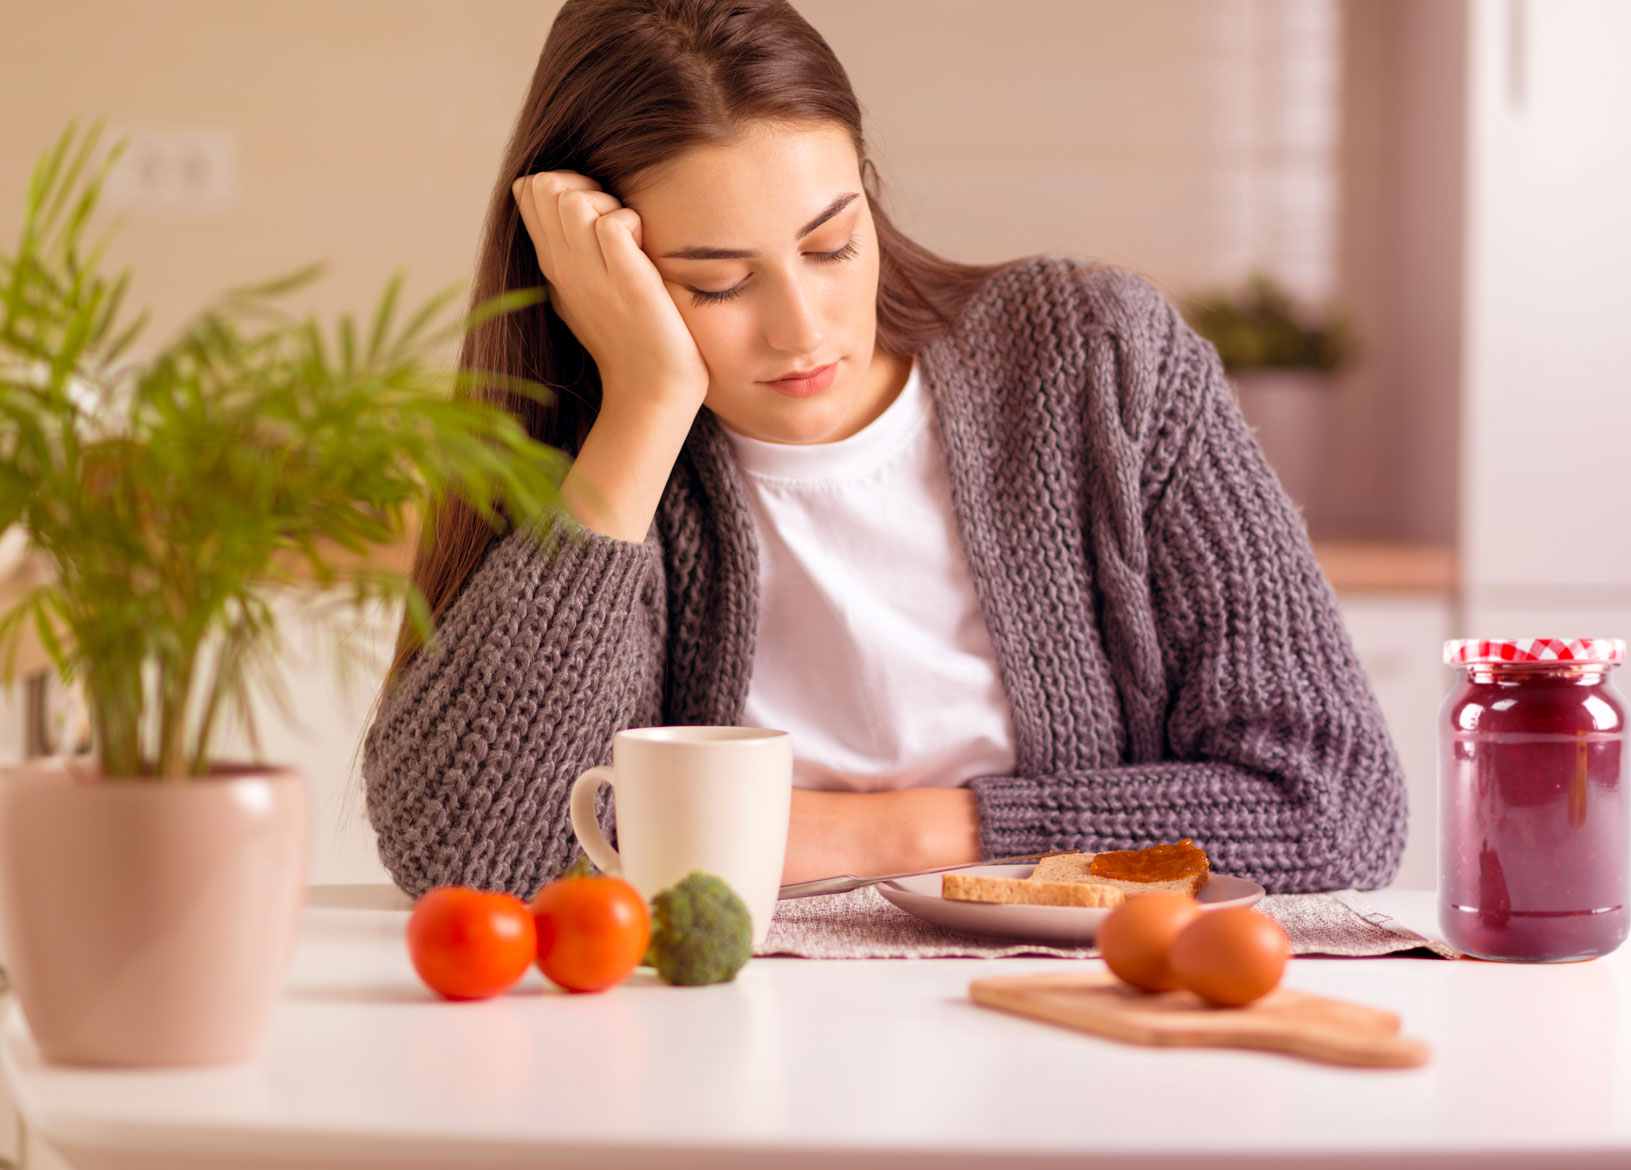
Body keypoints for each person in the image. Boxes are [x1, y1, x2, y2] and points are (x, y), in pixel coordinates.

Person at [361, 0, 1408, 902]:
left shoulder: (1096, 360)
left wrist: (865, 835)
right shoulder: (594, 463)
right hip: (707, 1052)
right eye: (716, 283)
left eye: (831, 244)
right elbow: (473, 858)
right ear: (602, 280)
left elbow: (1329, 807)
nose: (803, 328)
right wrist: (644, 404)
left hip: (1069, 1051)